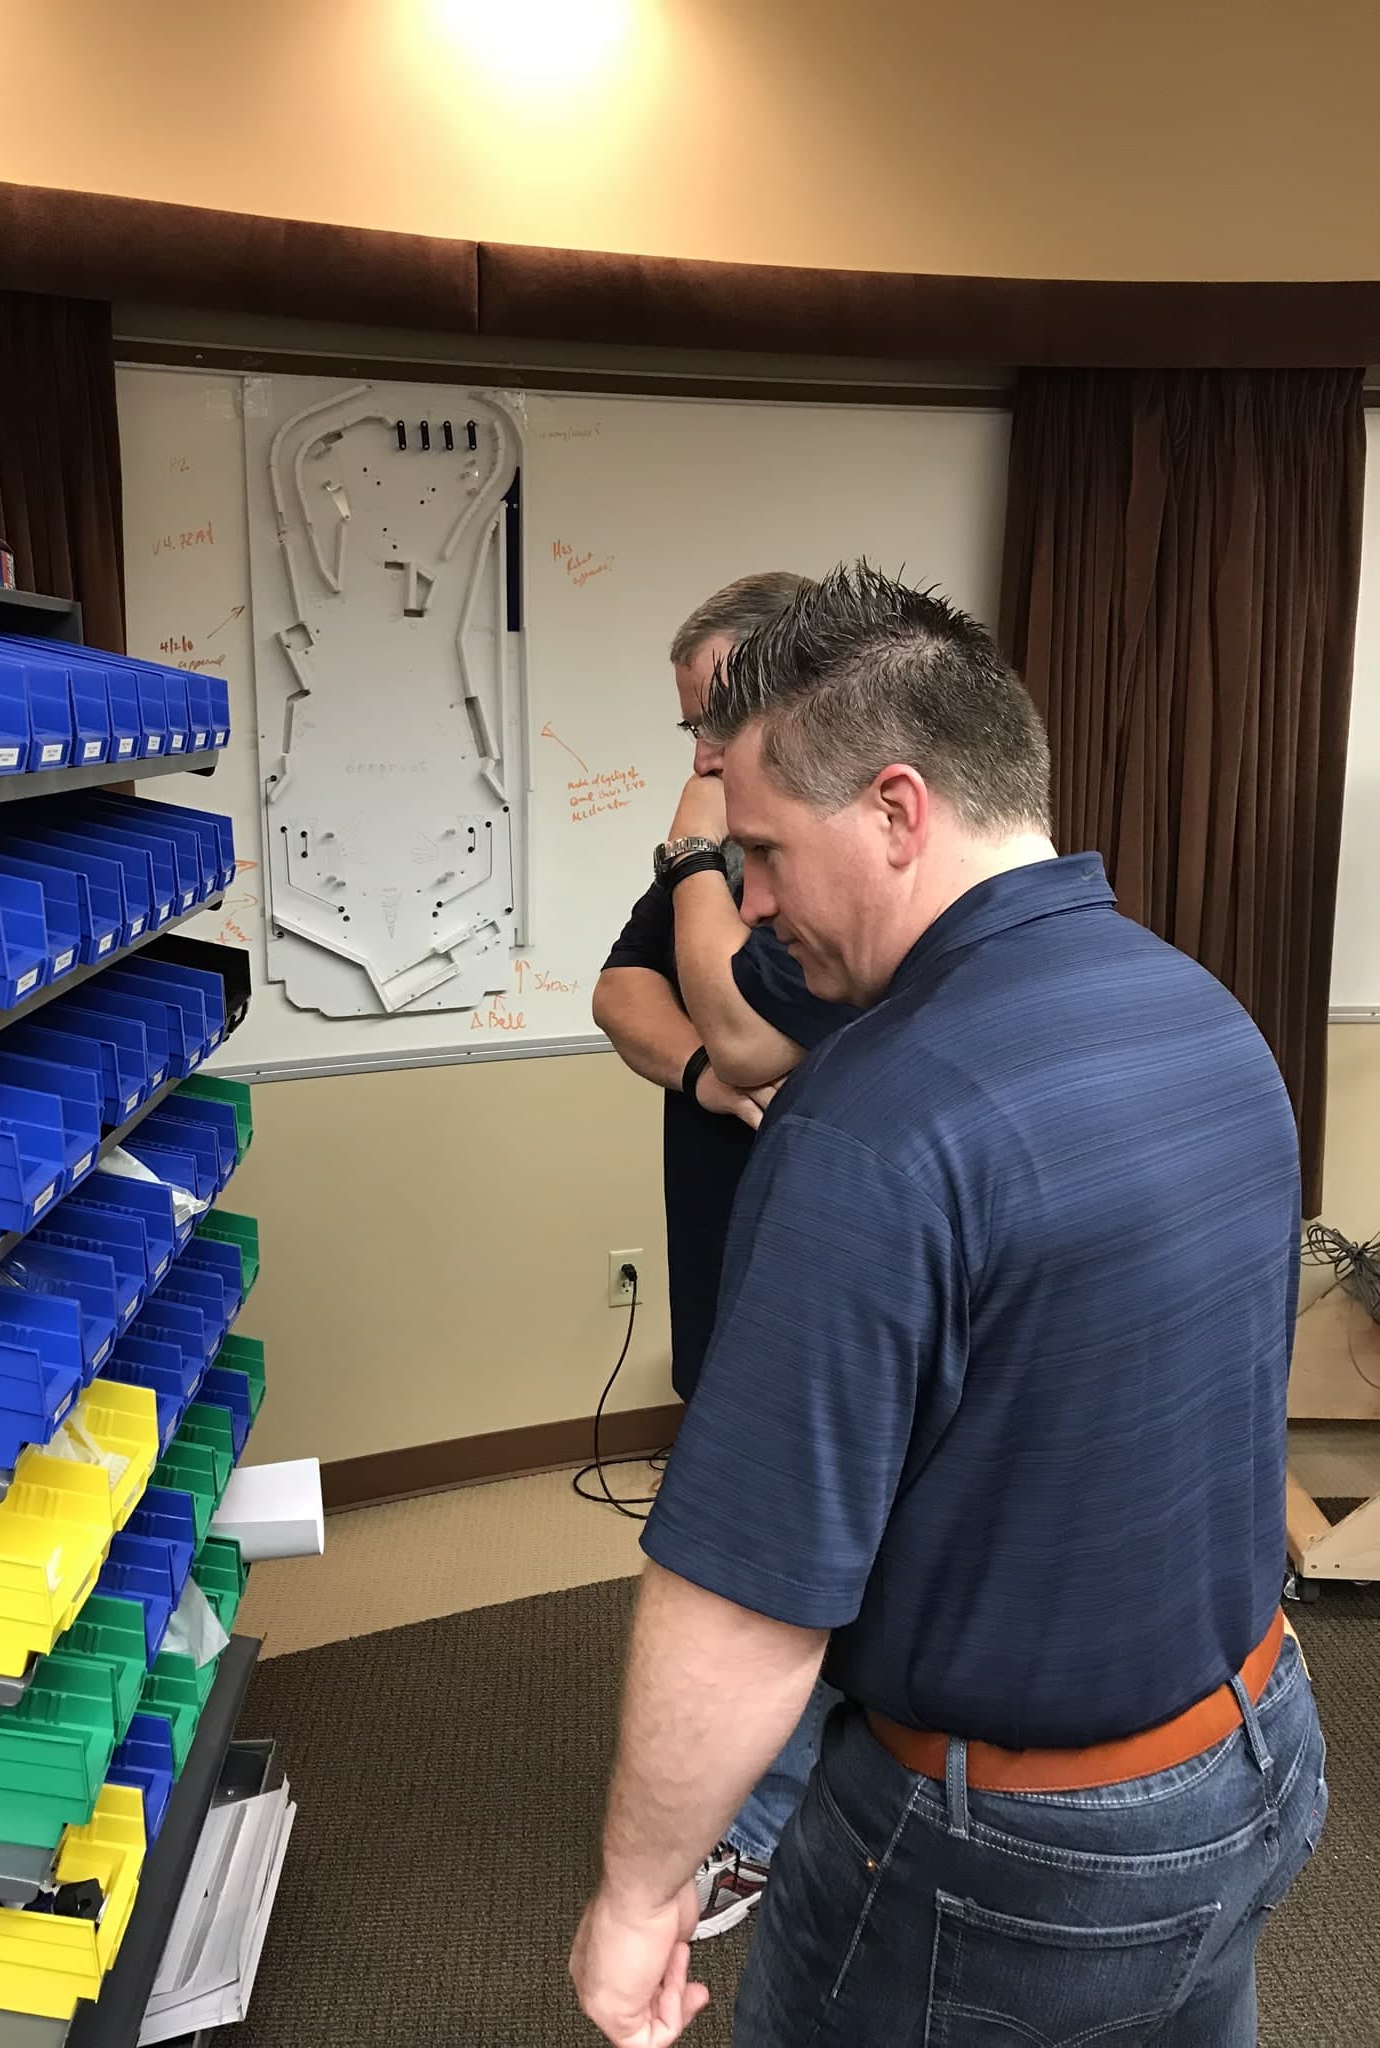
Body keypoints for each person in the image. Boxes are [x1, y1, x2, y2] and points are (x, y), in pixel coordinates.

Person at [571, 563, 1325, 2048]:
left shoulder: (869, 1123)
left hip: (1015, 1857)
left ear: (900, 810)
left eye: (765, 853)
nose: (753, 899)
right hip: (1255, 1760)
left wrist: (638, 1898)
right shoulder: (1207, 1011)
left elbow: (743, 1604)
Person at [592, 572, 858, 1938]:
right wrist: (702, 1072)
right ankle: (762, 1796)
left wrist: (698, 862)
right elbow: (624, 991)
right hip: (724, 1228)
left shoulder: (827, 858)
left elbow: (760, 1026)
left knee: (786, 1550)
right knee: (749, 1527)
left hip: (829, 1260)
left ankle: (758, 1826)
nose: (697, 758)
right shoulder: (733, 837)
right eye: (690, 729)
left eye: (716, 719)